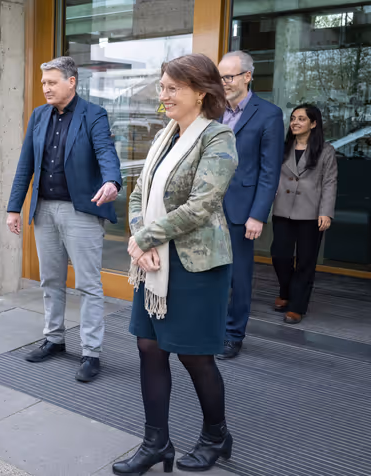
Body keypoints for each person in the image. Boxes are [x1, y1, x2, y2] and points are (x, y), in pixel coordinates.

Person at [113, 54, 238, 475]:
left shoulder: (218, 138)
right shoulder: (164, 136)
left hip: (196, 265)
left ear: (201, 92)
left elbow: (202, 205)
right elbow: (137, 195)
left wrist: (145, 237)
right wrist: (138, 237)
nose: (162, 95)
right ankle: (156, 443)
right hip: (152, 259)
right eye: (162, 87)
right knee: (148, 347)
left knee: (195, 356)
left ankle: (217, 436)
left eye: (172, 88)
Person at [6, 56, 122, 382]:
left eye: (52, 82)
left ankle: (91, 352)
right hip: (44, 209)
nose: (45, 88)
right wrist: (13, 208)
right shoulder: (39, 116)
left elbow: (105, 153)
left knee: (88, 285)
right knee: (50, 280)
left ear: (72, 82)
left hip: (80, 211)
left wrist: (112, 182)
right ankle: (54, 339)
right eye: (43, 83)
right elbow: (25, 165)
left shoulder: (93, 115)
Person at [216, 51, 285, 360]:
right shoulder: (213, 111)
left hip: (242, 210)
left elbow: (270, 172)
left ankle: (233, 335)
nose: (223, 83)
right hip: (207, 206)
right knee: (209, 271)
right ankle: (212, 327)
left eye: (228, 77)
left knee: (238, 276)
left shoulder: (268, 114)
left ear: (247, 76)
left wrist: (258, 215)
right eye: (220, 77)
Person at [271, 104, 337, 324]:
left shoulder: (326, 151)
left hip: (311, 213)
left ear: (313, 123)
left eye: (301, 119)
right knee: (280, 255)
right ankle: (286, 292)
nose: (295, 123)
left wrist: (326, 212)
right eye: (293, 119)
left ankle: (297, 305)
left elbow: (329, 182)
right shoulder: (283, 148)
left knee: (306, 261)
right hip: (282, 210)